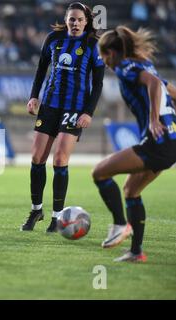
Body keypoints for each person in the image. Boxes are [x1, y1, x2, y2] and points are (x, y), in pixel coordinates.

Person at [93, 26, 176, 262]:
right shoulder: (146, 64)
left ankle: (120, 225)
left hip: (156, 143)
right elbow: (168, 89)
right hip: (170, 142)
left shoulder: (125, 67)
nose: (103, 60)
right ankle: (136, 252)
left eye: (104, 54)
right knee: (131, 190)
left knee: (99, 173)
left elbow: (152, 84)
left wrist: (153, 119)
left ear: (112, 52)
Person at [21, 2, 105, 232]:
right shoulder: (53, 39)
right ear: (66, 20)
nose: (75, 23)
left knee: (59, 160)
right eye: (71, 19)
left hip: (75, 109)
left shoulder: (93, 45)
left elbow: (98, 84)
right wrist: (33, 97)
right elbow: (41, 69)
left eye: (79, 19)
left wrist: (88, 112)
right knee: (37, 157)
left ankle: (57, 218)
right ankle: (36, 210)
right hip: (49, 105)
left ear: (86, 21)